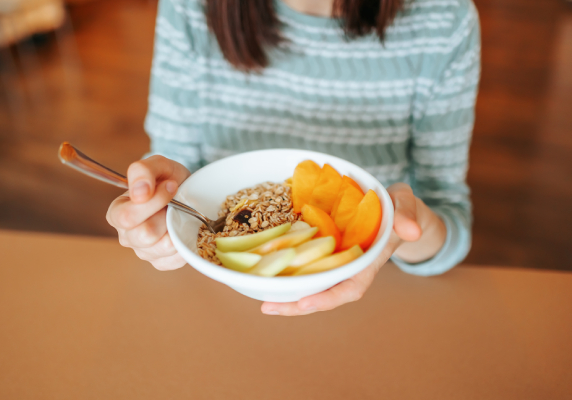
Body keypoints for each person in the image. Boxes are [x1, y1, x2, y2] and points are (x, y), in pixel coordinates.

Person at [106, 0, 480, 316]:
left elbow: (449, 216)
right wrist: (157, 212)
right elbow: (172, 167)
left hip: (384, 307)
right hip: (212, 309)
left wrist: (408, 228)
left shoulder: (444, 19)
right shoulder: (189, 8)